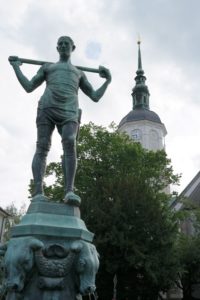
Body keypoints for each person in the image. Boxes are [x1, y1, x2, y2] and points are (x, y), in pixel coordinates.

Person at [9, 36, 111, 206]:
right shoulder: (48, 67)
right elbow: (29, 86)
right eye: (60, 44)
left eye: (67, 44)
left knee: (70, 141)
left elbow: (94, 96)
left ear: (73, 48)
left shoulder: (79, 73)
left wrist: (108, 81)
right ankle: (38, 191)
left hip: (70, 111)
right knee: (42, 146)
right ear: (57, 48)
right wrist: (16, 68)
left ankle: (69, 191)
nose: (63, 46)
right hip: (47, 108)